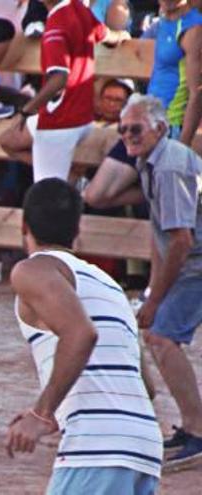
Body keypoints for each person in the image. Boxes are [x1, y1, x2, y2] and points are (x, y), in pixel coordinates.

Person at [8, 178, 161, 494]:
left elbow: (80, 333)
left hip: (96, 449)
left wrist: (42, 412)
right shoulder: (108, 284)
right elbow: (146, 385)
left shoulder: (32, 270)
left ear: (24, 225)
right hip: (143, 448)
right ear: (78, 230)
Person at [95, 94, 202, 470]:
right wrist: (155, 292)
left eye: (134, 128)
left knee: (161, 336)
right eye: (123, 129)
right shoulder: (150, 161)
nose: (127, 135)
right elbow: (163, 235)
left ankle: (198, 430)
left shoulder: (169, 165)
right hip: (190, 259)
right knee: (159, 334)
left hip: (197, 261)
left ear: (159, 128)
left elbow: (180, 239)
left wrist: (155, 300)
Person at [0, 0, 130, 182]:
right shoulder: (79, 9)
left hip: (60, 121)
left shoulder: (55, 27)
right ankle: (69, 175)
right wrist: (121, 36)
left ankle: (63, 179)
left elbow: (59, 78)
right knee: (8, 141)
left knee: (48, 193)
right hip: (81, 116)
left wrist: (26, 110)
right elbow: (107, 35)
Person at [147, 0, 202, 146]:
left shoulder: (193, 27)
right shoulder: (163, 22)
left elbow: (196, 93)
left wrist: (182, 146)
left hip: (170, 124)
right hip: (148, 117)